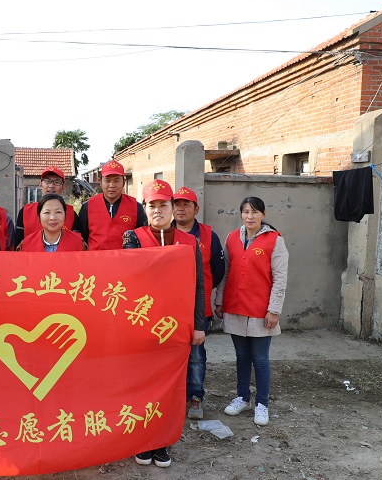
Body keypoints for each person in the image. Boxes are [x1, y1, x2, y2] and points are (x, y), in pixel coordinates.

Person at [123, 179, 205, 468]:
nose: (157, 210)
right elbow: (128, 278)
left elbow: (198, 285)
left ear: (172, 207)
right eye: (152, 205)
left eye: (163, 205)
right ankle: (143, 440)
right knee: (142, 384)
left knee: (170, 386)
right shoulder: (133, 237)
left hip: (176, 327)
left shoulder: (189, 242)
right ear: (144, 209)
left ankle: (162, 441)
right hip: (143, 324)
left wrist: (199, 325)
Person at [214, 196, 289, 426]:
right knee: (242, 356)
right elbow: (225, 273)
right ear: (241, 214)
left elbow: (280, 278)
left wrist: (274, 310)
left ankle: (262, 404)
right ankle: (243, 397)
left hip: (261, 310)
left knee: (260, 359)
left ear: (263, 215)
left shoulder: (274, 240)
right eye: (246, 212)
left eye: (255, 212)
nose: (250, 216)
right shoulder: (231, 239)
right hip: (235, 306)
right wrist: (219, 300)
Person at [172, 186, 225, 420]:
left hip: (197, 308)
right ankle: (173, 397)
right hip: (169, 307)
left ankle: (195, 396)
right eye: (176, 204)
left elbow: (218, 270)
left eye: (186, 204)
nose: (180, 208)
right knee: (170, 355)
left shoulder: (209, 236)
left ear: (196, 209)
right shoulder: (164, 233)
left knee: (196, 355)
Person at [78, 160, 147, 250]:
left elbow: (142, 238)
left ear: (124, 182)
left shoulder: (136, 207)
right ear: (100, 182)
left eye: (116, 181)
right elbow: (83, 237)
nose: (111, 185)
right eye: (107, 180)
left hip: (126, 258)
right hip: (96, 258)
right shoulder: (87, 207)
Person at [15, 166, 79, 246]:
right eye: (47, 181)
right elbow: (17, 245)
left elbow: (77, 245)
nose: (51, 185)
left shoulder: (72, 215)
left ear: (63, 187)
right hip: (30, 254)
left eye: (57, 182)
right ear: (40, 184)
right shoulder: (25, 212)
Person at [17, 194, 87, 252]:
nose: (53, 218)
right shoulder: (26, 244)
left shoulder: (79, 243)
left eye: (58, 212)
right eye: (47, 212)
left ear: (65, 214)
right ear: (39, 216)